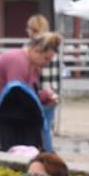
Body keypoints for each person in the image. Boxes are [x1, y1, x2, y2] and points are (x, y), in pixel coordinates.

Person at [0, 33, 61, 150]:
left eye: (50, 60)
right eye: (46, 58)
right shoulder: (18, 60)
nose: (47, 63)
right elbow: (17, 92)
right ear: (36, 50)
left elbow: (31, 92)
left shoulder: (34, 66)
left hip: (2, 105)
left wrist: (48, 96)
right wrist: (43, 96)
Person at [25, 14, 60, 151]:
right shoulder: (54, 48)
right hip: (53, 93)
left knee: (39, 128)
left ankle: (45, 153)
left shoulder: (32, 48)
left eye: (29, 29)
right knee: (46, 128)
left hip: (39, 95)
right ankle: (48, 153)